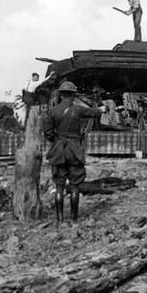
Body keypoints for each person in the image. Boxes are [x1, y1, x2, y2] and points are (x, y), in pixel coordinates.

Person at [43, 81, 106, 222]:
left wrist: (58, 141)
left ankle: (59, 220)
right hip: (75, 150)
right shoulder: (78, 110)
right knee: (74, 186)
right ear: (73, 95)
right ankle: (73, 220)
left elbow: (47, 132)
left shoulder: (53, 111)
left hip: (59, 150)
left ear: (61, 94)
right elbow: (94, 113)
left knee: (59, 187)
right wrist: (102, 109)